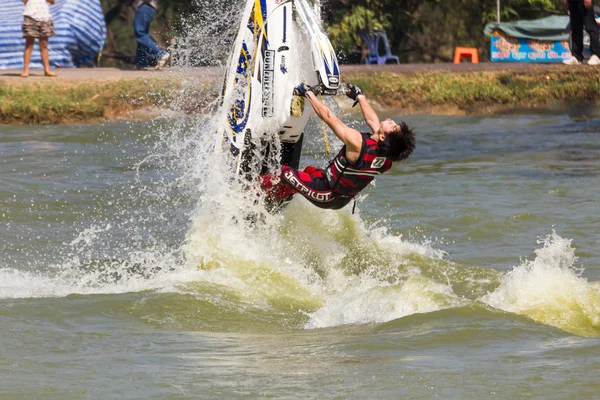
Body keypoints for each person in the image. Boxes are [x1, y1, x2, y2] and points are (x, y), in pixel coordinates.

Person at [261, 83, 415, 210]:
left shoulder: (357, 142)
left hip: (326, 193)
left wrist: (308, 93)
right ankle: (275, 200)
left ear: (383, 137)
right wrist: (360, 97)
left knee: (285, 173)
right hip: (341, 200)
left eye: (393, 127)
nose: (390, 121)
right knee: (310, 172)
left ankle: (250, 193)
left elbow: (329, 117)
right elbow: (373, 121)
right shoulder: (386, 157)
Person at [21, 0, 56, 78]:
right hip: (30, 17)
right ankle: (26, 70)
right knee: (29, 44)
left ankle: (47, 70)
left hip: (44, 18)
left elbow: (52, 2)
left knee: (44, 45)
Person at [133, 0, 170, 70]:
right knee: (143, 36)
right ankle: (141, 63)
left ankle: (160, 53)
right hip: (148, 8)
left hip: (144, 7)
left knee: (140, 34)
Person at [563, 0, 600, 65]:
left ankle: (596, 55)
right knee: (575, 28)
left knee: (590, 27)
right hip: (572, 2)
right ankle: (576, 56)